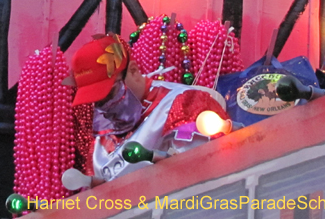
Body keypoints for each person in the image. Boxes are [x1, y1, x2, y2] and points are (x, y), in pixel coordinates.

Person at [65, 34, 230, 184]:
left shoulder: (184, 103)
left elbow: (206, 175)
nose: (104, 105)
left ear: (134, 71)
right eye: (96, 101)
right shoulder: (99, 133)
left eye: (109, 93)